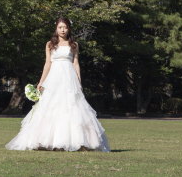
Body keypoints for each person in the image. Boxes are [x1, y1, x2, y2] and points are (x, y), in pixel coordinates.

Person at [6, 17, 110, 152]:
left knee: (73, 107)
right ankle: (44, 141)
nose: (62, 30)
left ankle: (80, 141)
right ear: (56, 28)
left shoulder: (74, 45)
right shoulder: (50, 44)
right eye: (60, 27)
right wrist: (41, 82)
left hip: (69, 78)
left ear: (69, 29)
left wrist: (79, 81)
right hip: (54, 78)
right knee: (51, 106)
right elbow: (47, 63)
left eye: (65, 27)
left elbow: (76, 63)